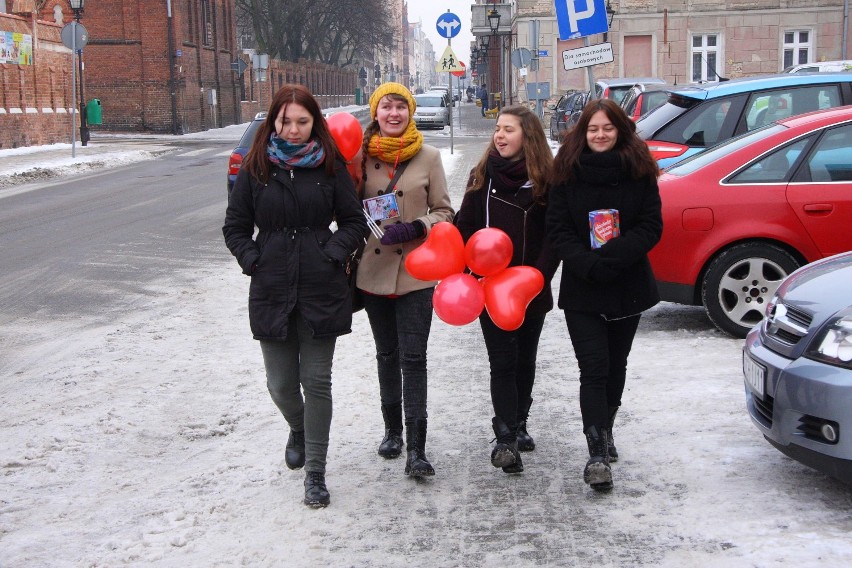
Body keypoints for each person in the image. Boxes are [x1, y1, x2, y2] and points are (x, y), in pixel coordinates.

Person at [222, 84, 366, 508]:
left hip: (321, 286)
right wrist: (255, 259)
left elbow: (354, 222)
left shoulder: (330, 166)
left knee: (316, 380)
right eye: (287, 121)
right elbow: (235, 226)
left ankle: (316, 473)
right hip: (272, 285)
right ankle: (298, 427)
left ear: (315, 123)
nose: (295, 129)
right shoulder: (256, 168)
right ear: (274, 121)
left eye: (304, 121)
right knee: (281, 384)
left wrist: (331, 253)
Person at [546, 98, 662, 491]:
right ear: (583, 131)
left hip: (627, 283)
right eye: (593, 129)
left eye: (607, 129)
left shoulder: (639, 169)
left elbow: (651, 226)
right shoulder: (565, 170)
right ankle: (596, 452)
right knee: (593, 367)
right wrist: (587, 264)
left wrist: (613, 257)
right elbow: (557, 228)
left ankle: (608, 430)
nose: (600, 135)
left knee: (616, 364)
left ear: (620, 131)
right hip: (583, 287)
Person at [356, 82, 455, 477]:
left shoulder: (428, 156)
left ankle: (417, 449)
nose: (393, 114)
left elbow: (446, 212)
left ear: (410, 112)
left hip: (416, 273)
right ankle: (392, 431)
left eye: (401, 106)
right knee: (387, 355)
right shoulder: (359, 157)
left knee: (414, 358)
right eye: (386, 107)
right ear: (376, 112)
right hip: (375, 272)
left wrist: (416, 227)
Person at [455, 105, 558, 474]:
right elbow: (463, 225)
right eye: (498, 129)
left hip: (530, 288)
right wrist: (470, 268)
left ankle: (520, 421)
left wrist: (537, 277)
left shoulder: (546, 180)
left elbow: (553, 238)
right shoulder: (482, 175)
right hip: (491, 289)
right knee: (502, 361)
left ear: (527, 136)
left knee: (525, 359)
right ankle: (505, 438)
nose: (499, 135)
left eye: (508, 130)